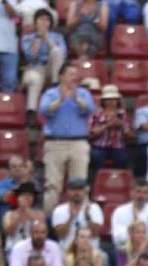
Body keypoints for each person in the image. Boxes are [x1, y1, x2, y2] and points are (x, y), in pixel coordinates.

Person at [39, 63, 94, 212]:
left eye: (76, 74)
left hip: (79, 143)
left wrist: (76, 99)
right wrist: (60, 100)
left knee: (80, 184)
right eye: (71, 74)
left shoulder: (83, 93)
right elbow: (44, 110)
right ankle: (48, 222)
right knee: (53, 186)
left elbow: (89, 109)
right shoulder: (51, 93)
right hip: (55, 143)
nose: (74, 77)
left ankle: (81, 221)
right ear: (61, 76)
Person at [20, 8, 66, 117]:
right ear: (35, 22)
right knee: (35, 78)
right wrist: (38, 38)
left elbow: (62, 54)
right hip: (34, 68)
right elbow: (30, 57)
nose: (44, 22)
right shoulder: (27, 38)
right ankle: (31, 111)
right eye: (41, 19)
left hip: (52, 70)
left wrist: (48, 39)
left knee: (56, 50)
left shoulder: (58, 37)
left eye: (47, 20)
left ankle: (56, 84)